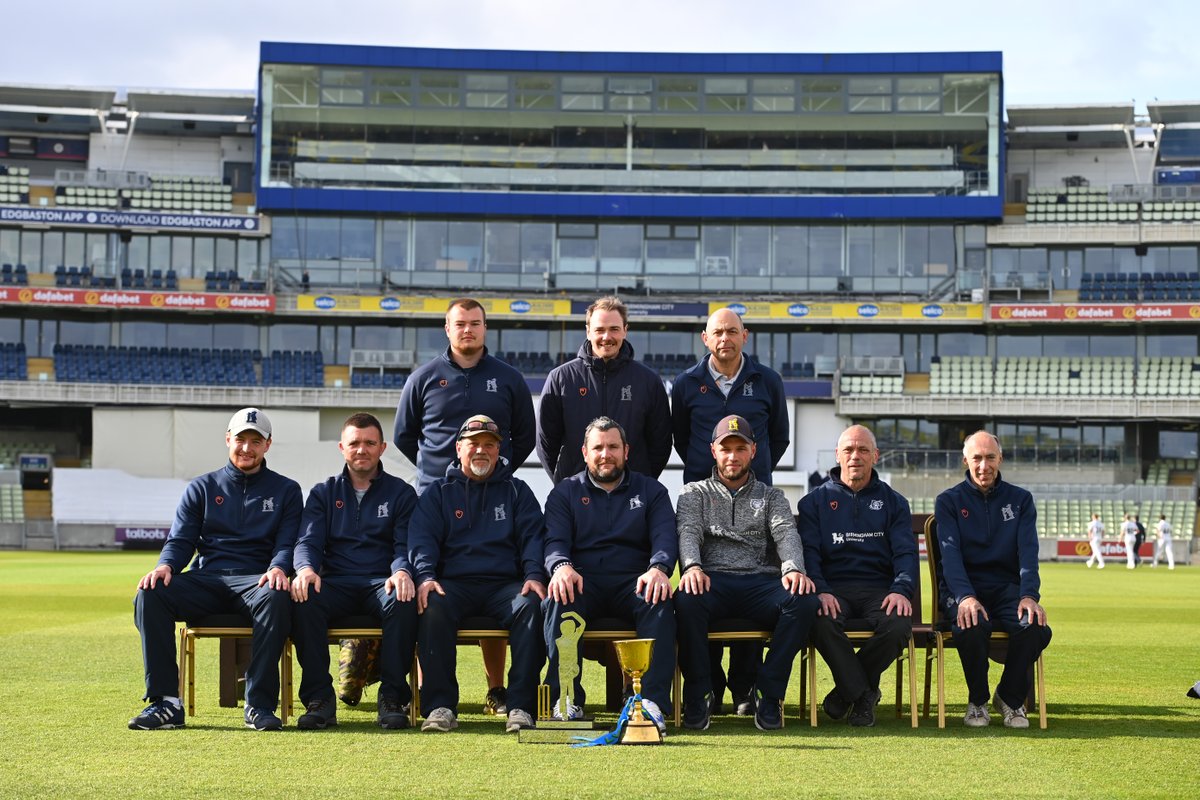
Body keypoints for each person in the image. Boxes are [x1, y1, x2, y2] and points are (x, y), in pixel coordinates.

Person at [393, 297, 535, 712]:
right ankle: (430, 694)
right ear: (448, 328)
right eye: (460, 323)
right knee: (430, 588)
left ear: (485, 328)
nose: (468, 330)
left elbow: (523, 436)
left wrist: (498, 466)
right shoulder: (423, 378)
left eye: (475, 323)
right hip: (438, 494)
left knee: (501, 586)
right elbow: (405, 436)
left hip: (494, 493)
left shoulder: (507, 378)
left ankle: (497, 689)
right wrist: (442, 467)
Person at [129, 408, 302, 731]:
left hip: (257, 579)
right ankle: (166, 702)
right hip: (208, 578)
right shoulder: (202, 487)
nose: (247, 448)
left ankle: (259, 705)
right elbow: (181, 539)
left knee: (276, 595)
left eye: (255, 441)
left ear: (268, 445)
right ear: (227, 440)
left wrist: (279, 567)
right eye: (240, 440)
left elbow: (287, 542)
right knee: (150, 593)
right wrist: (165, 566)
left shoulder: (287, 490)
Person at [670, 307, 790, 716]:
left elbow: (780, 438)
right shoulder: (686, 384)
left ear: (745, 335)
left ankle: (745, 688)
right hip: (705, 499)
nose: (725, 338)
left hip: (755, 498)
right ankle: (711, 687)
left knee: (757, 579)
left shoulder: (767, 381)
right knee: (701, 587)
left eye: (732, 331)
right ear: (705, 338)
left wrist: (748, 470)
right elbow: (681, 438)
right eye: (717, 332)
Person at [673, 414, 819, 732]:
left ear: (753, 451)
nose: (733, 456)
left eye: (740, 449)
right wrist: (692, 567)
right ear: (714, 451)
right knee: (685, 598)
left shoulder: (771, 496)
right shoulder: (693, 493)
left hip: (759, 582)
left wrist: (794, 568)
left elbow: (786, 533)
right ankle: (699, 693)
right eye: (726, 449)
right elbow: (688, 532)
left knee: (804, 600)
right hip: (713, 579)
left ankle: (768, 693)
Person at [409, 414, 547, 733]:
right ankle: (440, 706)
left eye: (489, 444)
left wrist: (534, 575)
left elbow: (532, 538)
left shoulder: (517, 491)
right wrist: (426, 576)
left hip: (505, 586)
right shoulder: (438, 493)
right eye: (473, 444)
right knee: (431, 606)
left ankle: (521, 706)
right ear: (459, 449)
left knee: (531, 606)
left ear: (499, 451)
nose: (481, 450)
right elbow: (422, 539)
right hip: (452, 585)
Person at [542, 416, 676, 730]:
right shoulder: (565, 493)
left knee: (659, 598)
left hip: (634, 580)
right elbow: (554, 541)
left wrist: (659, 568)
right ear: (585, 453)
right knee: (560, 598)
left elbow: (665, 537)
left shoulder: (652, 491)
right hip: (582, 580)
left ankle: (651, 703)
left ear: (626, 451)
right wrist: (561, 567)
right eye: (598, 448)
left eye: (613, 446)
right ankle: (565, 700)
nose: (606, 454)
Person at [289, 413, 419, 730]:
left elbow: (405, 544)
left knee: (403, 599)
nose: (362, 450)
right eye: (355, 443)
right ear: (342, 448)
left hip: (381, 582)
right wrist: (305, 569)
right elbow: (308, 541)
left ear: (382, 447)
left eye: (369, 443)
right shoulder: (323, 493)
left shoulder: (402, 493)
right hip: (335, 583)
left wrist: (402, 571)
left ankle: (392, 698)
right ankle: (319, 699)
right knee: (303, 597)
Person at [797, 425, 917, 728]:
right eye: (848, 450)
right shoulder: (813, 502)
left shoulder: (895, 503)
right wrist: (821, 590)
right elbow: (809, 554)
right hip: (833, 588)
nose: (855, 456)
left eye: (863, 450)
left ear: (875, 456)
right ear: (838, 455)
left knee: (899, 622)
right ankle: (864, 694)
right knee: (818, 618)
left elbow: (905, 554)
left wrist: (901, 589)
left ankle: (845, 694)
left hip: (880, 589)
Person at [934, 430, 1052, 729]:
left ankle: (1010, 698)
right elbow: (950, 556)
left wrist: (1029, 596)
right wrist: (965, 597)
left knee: (1036, 627)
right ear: (966, 460)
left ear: (1000, 459)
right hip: (964, 590)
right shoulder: (948, 501)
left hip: (1007, 590)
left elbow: (1028, 552)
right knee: (970, 623)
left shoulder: (1021, 499)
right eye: (977, 458)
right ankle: (977, 701)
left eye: (989, 457)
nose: (983, 465)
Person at [536, 295, 672, 485]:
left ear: (625, 330)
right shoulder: (561, 378)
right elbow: (546, 444)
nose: (606, 337)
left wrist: (640, 484)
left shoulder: (648, 382)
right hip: (576, 497)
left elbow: (661, 445)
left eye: (614, 329)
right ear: (588, 332)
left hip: (633, 496)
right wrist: (567, 485)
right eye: (599, 330)